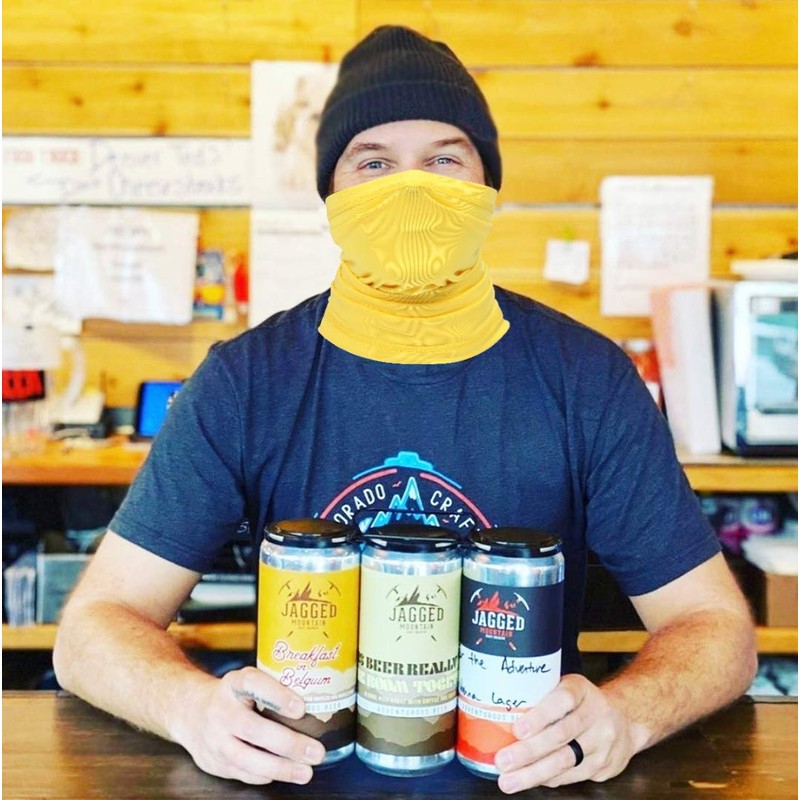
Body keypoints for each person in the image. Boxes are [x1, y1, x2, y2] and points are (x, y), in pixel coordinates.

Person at [53, 25, 757, 793]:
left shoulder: (587, 378)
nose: (412, 188)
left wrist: (629, 713)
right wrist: (189, 707)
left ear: (487, 184)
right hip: (301, 781)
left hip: (522, 781)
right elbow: (92, 627)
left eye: (444, 159)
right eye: (375, 162)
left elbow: (717, 628)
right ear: (331, 192)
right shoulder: (245, 382)